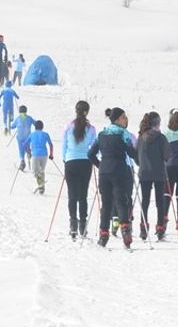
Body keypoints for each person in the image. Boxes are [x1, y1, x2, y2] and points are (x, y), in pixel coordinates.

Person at [89, 107, 139, 249]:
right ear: (117, 119)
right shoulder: (123, 134)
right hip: (120, 170)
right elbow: (131, 152)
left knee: (106, 204)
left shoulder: (102, 133)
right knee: (121, 201)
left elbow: (90, 154)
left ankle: (103, 235)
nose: (126, 119)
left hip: (104, 171)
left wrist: (100, 165)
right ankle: (126, 233)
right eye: (124, 117)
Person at [62, 101, 97, 239]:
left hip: (71, 161)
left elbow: (64, 145)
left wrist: (65, 159)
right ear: (87, 111)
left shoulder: (68, 127)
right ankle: (83, 224)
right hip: (85, 162)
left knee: (72, 194)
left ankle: (73, 224)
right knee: (83, 194)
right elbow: (94, 146)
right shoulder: (92, 128)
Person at [135, 111, 171, 241]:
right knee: (159, 202)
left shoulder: (141, 138)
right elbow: (167, 155)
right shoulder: (161, 138)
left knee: (145, 201)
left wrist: (142, 163)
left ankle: (143, 228)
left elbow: (136, 155)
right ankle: (160, 227)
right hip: (159, 173)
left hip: (144, 172)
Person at [29, 120, 54, 194]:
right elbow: (51, 145)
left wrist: (28, 151)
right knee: (41, 170)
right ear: (42, 127)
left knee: (35, 171)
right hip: (44, 155)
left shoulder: (32, 134)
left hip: (35, 155)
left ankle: (40, 184)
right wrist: (51, 155)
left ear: (35, 127)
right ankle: (41, 185)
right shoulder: (46, 134)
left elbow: (25, 144)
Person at [10, 105, 35, 171]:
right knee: (27, 145)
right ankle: (28, 151)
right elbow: (36, 123)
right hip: (28, 137)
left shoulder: (18, 118)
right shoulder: (29, 118)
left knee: (21, 149)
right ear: (26, 111)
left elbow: (12, 127)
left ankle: (22, 161)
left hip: (20, 138)